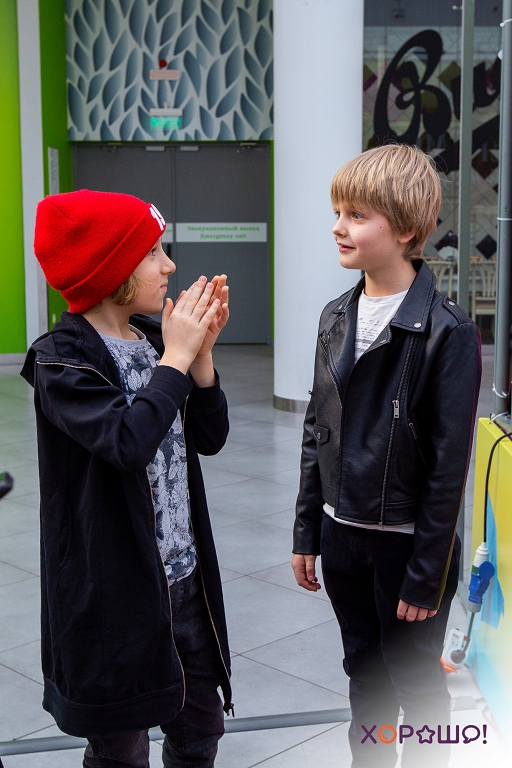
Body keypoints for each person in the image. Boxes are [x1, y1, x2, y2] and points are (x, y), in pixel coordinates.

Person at [21, 189, 232, 768]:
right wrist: (177, 359)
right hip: (116, 593)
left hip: (183, 576)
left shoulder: (156, 340)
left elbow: (210, 437)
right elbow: (127, 441)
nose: (169, 266)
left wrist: (200, 357)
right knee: (122, 745)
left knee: (200, 726)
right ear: (110, 269)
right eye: (152, 253)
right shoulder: (61, 361)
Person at [291, 145, 481, 768]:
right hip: (342, 536)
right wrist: (307, 529)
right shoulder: (334, 316)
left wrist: (428, 574)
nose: (338, 227)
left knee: (417, 684)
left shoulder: (448, 332)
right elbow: (317, 429)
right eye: (337, 212)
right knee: (365, 676)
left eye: (357, 215)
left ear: (404, 229)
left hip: (406, 548)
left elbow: (450, 468)